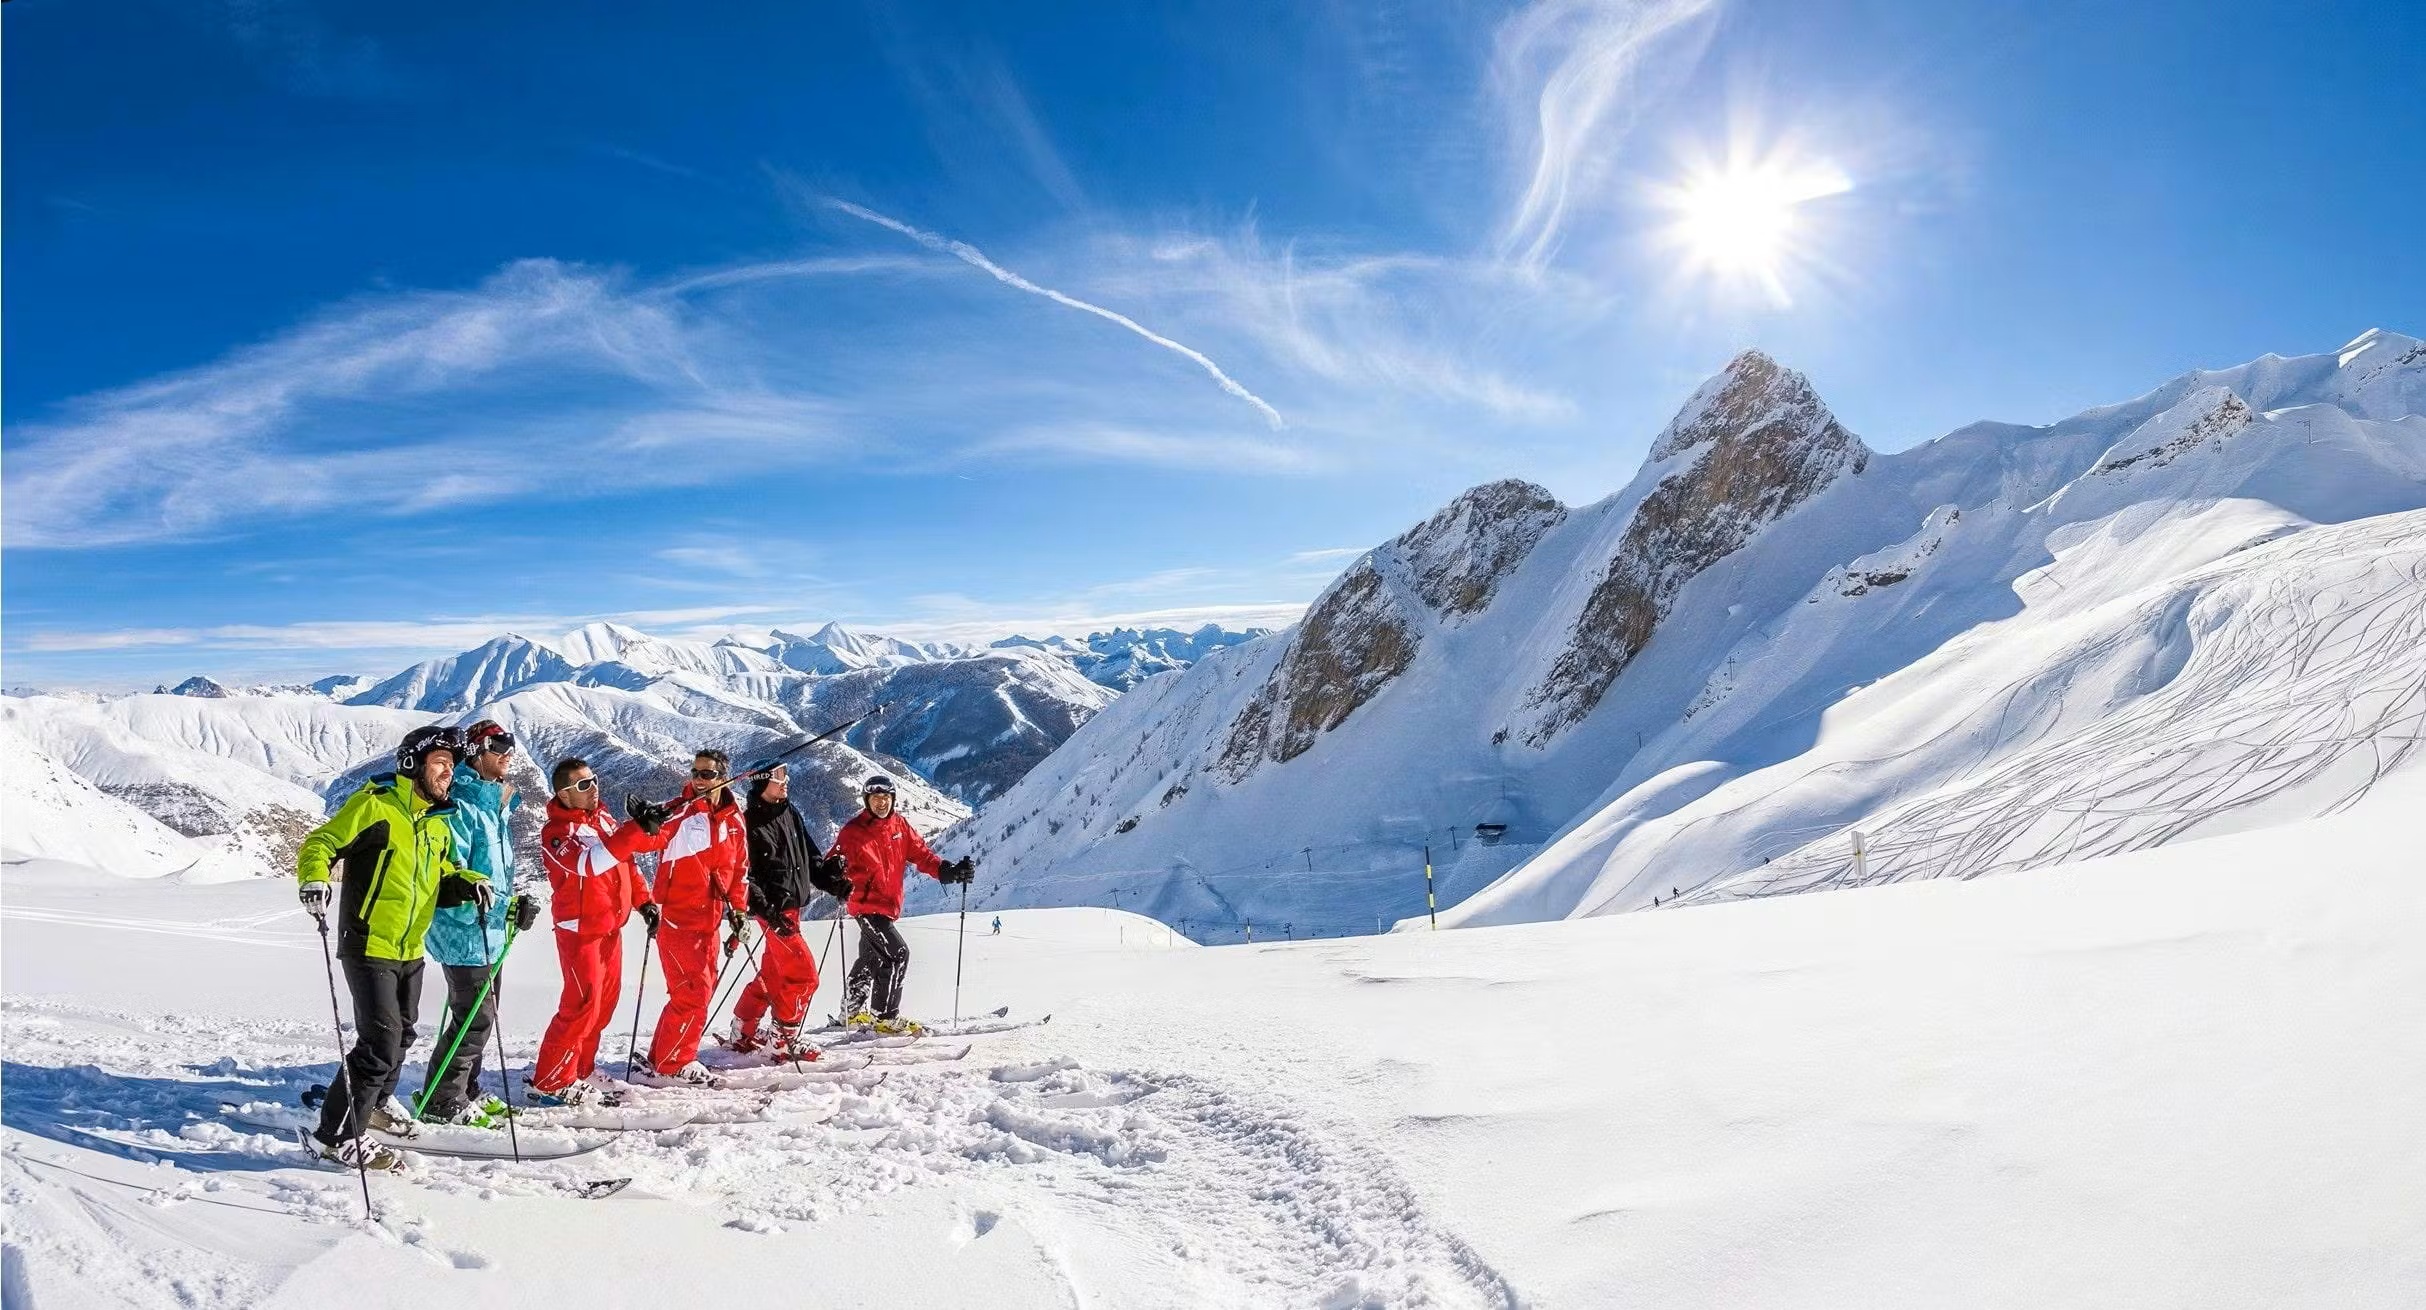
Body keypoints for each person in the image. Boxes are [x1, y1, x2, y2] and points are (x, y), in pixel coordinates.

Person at [297, 725, 491, 1170]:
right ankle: (335, 1137)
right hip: (368, 941)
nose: (448, 772)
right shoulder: (375, 807)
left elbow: (443, 873)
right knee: (379, 1042)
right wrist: (313, 877)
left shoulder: (436, 823)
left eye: (451, 764)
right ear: (413, 765)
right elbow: (322, 842)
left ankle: (378, 1104)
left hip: (409, 947)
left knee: (402, 1032)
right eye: (440, 763)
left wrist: (468, 882)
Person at [416, 720, 539, 1125]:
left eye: (510, 747)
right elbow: (457, 875)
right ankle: (441, 1100)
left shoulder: (492, 805)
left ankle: (465, 1089)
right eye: (497, 747)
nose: (507, 755)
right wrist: (491, 908)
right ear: (474, 751)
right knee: (475, 1016)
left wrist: (510, 906)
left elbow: (495, 875)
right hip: (464, 929)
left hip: (488, 929)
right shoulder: (463, 805)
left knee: (481, 1014)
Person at [528, 757, 668, 1105]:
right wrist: (635, 830)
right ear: (564, 794)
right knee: (580, 1005)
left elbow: (627, 858)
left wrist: (644, 900)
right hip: (580, 931)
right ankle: (549, 1081)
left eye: (594, 780)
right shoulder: (557, 833)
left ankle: (580, 1068)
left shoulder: (602, 819)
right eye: (583, 785)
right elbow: (588, 865)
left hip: (609, 926)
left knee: (603, 1005)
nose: (594, 788)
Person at [726, 763, 851, 1059]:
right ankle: (782, 1041)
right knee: (804, 976)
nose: (786, 781)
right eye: (778, 777)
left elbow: (809, 857)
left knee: (773, 974)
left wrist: (832, 882)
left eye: (786, 775)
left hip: (791, 910)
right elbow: (744, 878)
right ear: (760, 783)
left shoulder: (789, 812)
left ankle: (742, 1029)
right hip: (774, 914)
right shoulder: (749, 825)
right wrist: (768, 913)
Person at [638, 749, 748, 1084]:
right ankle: (674, 1063)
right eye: (695, 773)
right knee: (693, 993)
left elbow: (739, 869)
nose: (699, 780)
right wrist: (645, 821)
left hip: (712, 919)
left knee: (696, 990)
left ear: (723, 777)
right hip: (680, 918)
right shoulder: (679, 812)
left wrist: (739, 909)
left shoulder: (733, 818)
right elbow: (649, 838)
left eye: (707, 774)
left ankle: (664, 1054)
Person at [831, 774, 972, 1032]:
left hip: (888, 906)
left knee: (871, 956)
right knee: (897, 954)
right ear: (867, 801)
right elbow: (831, 863)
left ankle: (850, 1011)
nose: (881, 803)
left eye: (886, 798)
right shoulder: (853, 832)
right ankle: (885, 1018)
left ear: (892, 799)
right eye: (876, 798)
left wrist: (947, 871)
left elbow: (921, 854)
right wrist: (835, 875)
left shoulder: (899, 826)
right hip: (866, 907)